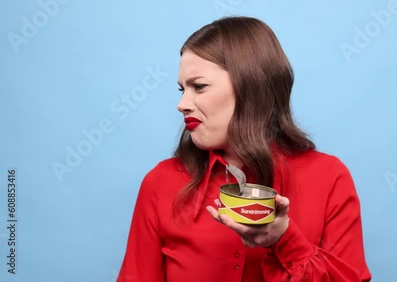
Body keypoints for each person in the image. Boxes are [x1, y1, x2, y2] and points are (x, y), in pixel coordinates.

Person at [117, 16, 371, 282]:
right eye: (182, 89)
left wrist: (284, 241)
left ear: (250, 86)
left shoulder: (330, 178)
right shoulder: (160, 183)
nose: (182, 104)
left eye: (199, 87)